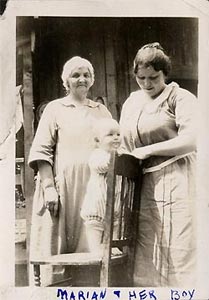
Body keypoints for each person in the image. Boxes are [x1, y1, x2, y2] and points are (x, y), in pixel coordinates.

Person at [28, 56, 112, 285]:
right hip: (62, 189)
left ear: (92, 79)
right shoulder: (55, 109)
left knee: (90, 251)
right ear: (66, 81)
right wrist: (48, 188)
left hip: (93, 190)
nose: (81, 79)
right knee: (57, 254)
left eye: (86, 74)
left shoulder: (101, 111)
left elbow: (113, 144)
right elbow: (41, 151)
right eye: (75, 75)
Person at [119, 42, 197, 287]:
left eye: (153, 77)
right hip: (144, 184)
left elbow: (192, 140)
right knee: (148, 246)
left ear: (165, 73)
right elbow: (124, 141)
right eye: (141, 77)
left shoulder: (179, 97)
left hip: (177, 177)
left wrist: (149, 150)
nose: (147, 83)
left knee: (179, 245)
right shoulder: (132, 101)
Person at [80, 118, 121, 255]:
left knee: (116, 224)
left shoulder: (117, 155)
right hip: (97, 205)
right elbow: (103, 166)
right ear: (98, 141)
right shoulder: (98, 155)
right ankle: (96, 251)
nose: (116, 138)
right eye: (110, 135)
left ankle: (112, 245)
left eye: (118, 134)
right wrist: (116, 157)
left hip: (114, 204)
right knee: (94, 227)